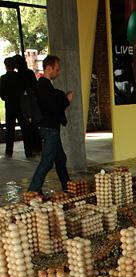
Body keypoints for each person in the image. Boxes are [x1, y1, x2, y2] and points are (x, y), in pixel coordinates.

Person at [28, 55, 74, 195]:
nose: (58, 72)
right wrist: (66, 100)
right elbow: (53, 108)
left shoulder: (44, 86)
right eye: (57, 69)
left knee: (60, 159)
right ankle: (33, 190)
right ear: (49, 68)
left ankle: (67, 186)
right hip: (49, 128)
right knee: (47, 161)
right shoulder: (43, 86)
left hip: (51, 128)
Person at [13, 54, 42, 155]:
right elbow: (35, 86)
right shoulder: (30, 73)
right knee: (34, 126)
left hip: (22, 105)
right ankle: (37, 146)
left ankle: (29, 149)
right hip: (31, 103)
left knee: (25, 128)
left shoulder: (17, 76)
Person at [0, 56, 27, 157]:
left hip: (10, 105)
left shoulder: (3, 78)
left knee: (10, 130)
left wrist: (7, 98)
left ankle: (9, 151)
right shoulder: (19, 77)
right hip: (20, 105)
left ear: (6, 66)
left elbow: (2, 94)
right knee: (24, 128)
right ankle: (28, 150)